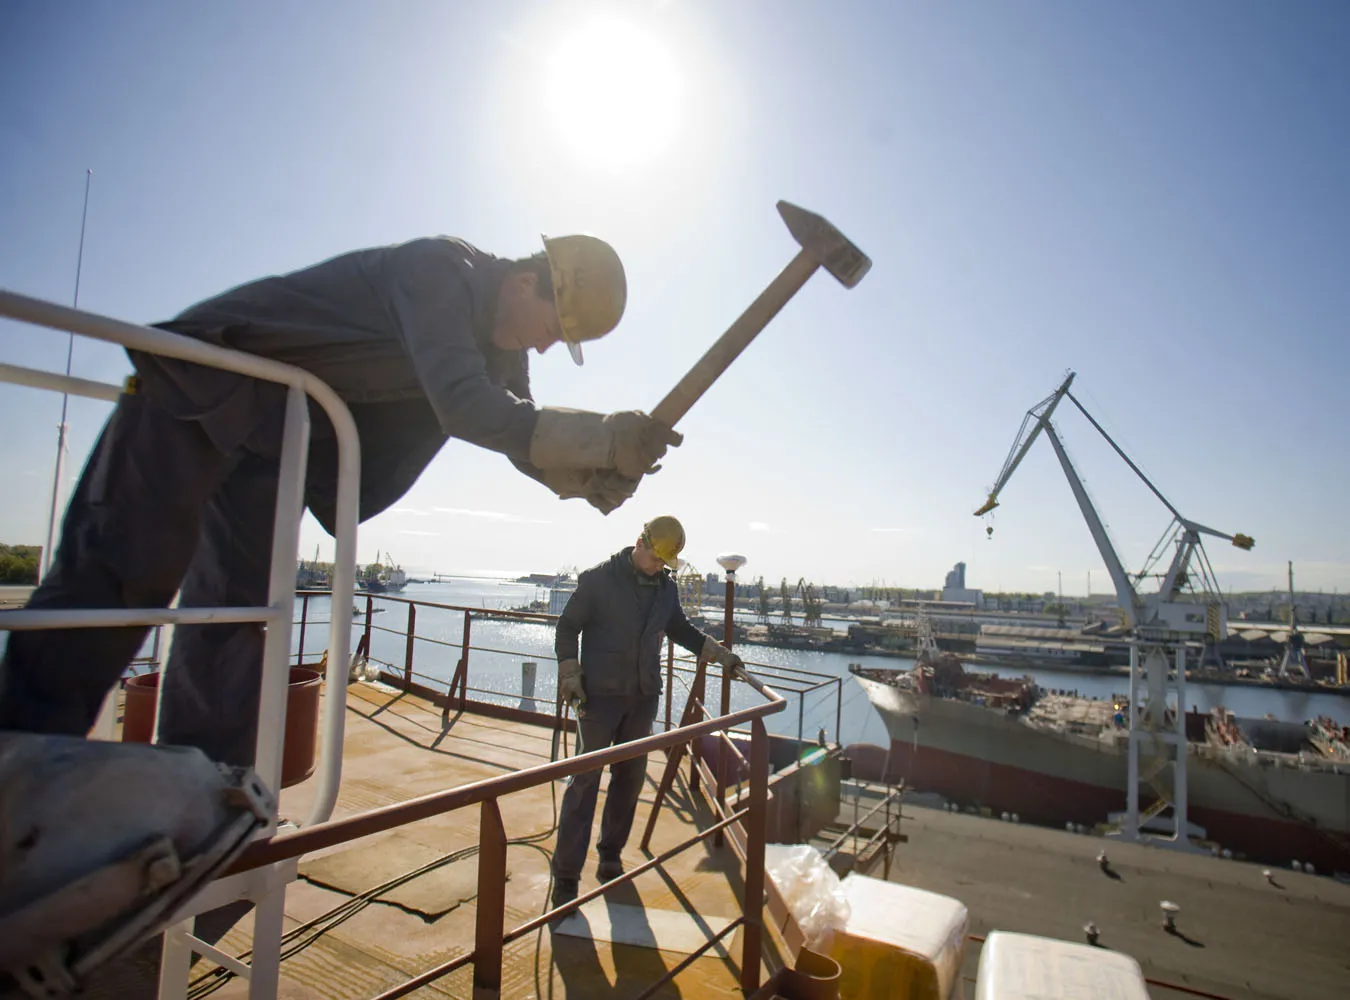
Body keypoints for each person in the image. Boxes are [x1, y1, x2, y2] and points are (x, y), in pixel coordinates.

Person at [0, 232, 680, 984]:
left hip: (273, 442)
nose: (550, 346)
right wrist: (602, 436)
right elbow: (465, 406)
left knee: (236, 635)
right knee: (114, 582)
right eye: (556, 328)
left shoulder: (498, 348)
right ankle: (11, 793)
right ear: (528, 281)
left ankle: (193, 840)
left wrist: (597, 477)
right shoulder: (440, 274)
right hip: (197, 387)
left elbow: (520, 431)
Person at [550, 515, 743, 907]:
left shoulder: (665, 589)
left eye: (664, 564)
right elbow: (567, 627)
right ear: (640, 542)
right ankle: (567, 876)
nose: (659, 568)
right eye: (656, 560)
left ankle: (610, 857)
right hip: (598, 699)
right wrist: (570, 672)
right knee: (584, 783)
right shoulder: (598, 580)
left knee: (630, 780)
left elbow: (682, 630)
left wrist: (720, 656)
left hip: (641, 697)